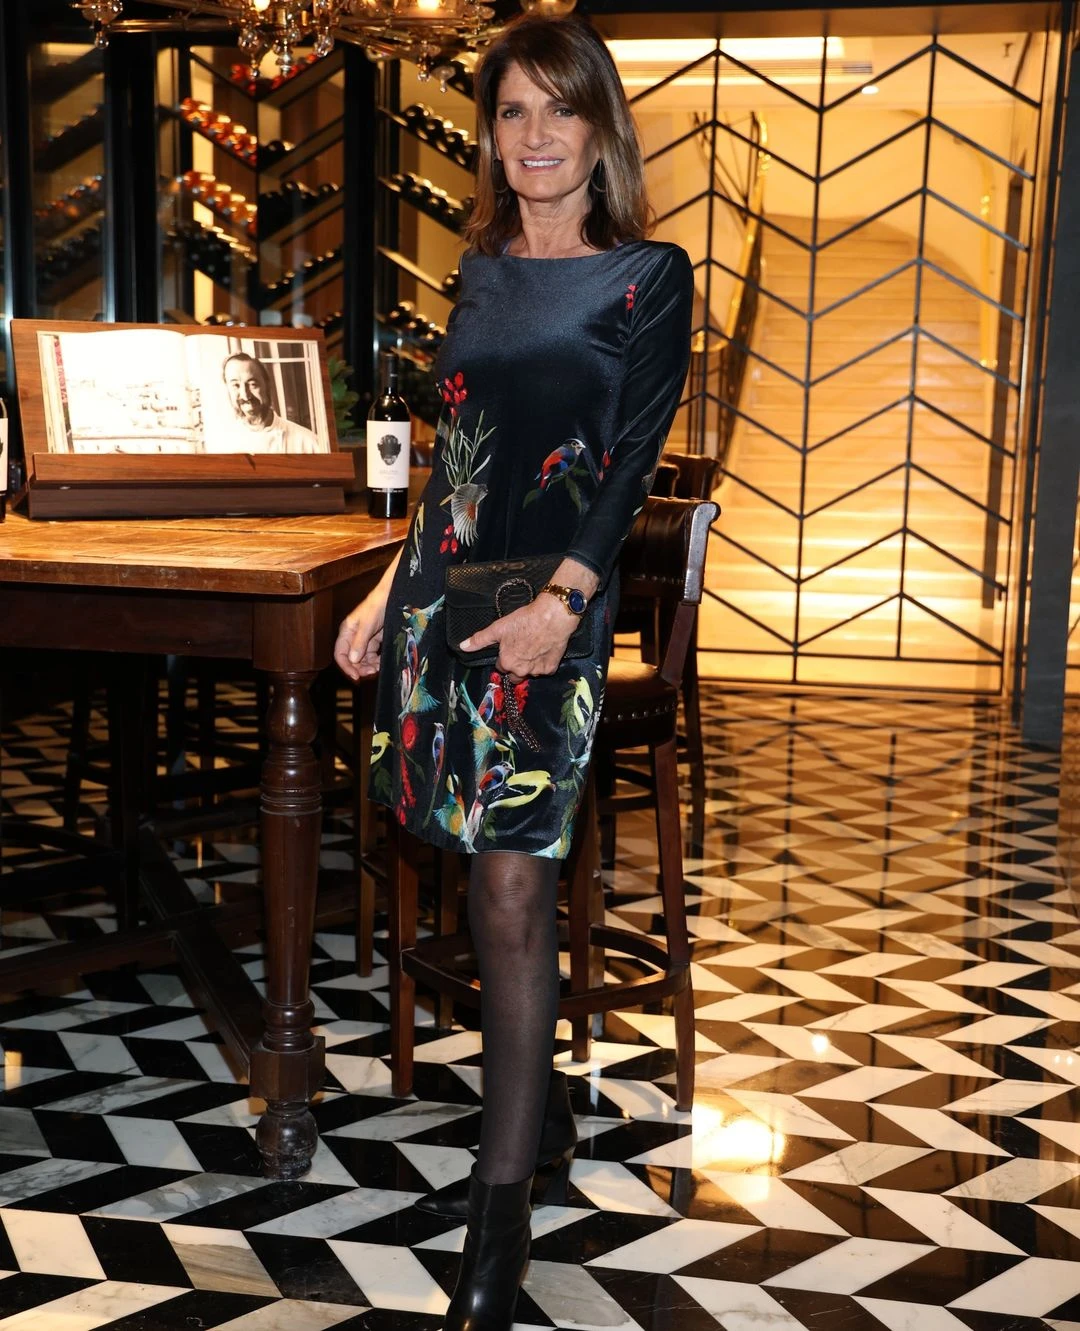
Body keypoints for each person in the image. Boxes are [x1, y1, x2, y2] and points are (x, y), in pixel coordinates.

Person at [335, 14, 693, 1330]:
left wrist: (564, 603)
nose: (535, 136)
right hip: (448, 598)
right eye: (511, 111)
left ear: (600, 127)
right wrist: (388, 588)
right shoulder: (479, 274)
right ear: (488, 135)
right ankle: (530, 1123)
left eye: (561, 108)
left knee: (509, 880)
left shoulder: (647, 275)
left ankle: (500, 1210)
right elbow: (457, 459)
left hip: (558, 607)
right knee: (455, 855)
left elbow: (633, 459)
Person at [220, 351, 320, 453]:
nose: (245, 395)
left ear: (267, 386)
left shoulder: (308, 442)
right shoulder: (224, 444)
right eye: (235, 385)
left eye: (253, 384)